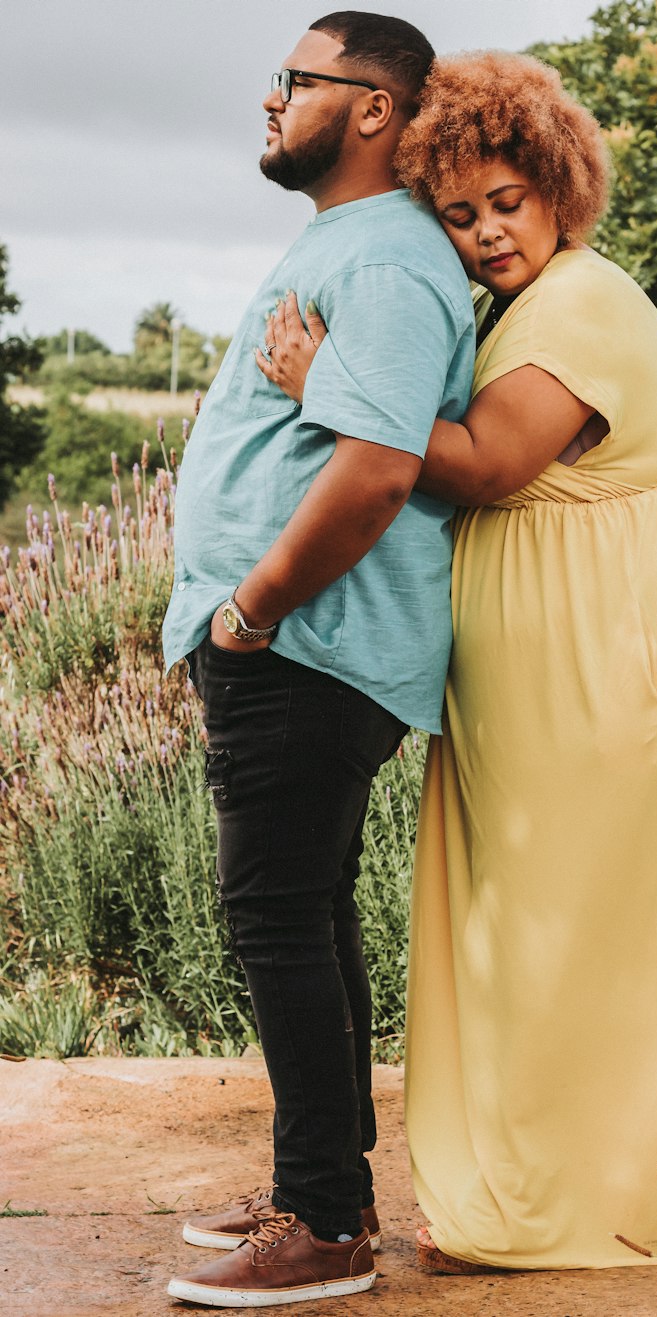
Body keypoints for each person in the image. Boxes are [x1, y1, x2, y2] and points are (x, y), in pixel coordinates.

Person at [264, 50, 657, 1274]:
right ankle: (549, 1171)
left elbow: (491, 463)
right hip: (586, 650)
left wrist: (324, 379)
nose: (489, 232)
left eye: (508, 202)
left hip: (627, 651)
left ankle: (584, 1199)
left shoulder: (584, 302)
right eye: (460, 213)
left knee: (578, 923)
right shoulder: (532, 304)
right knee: (548, 918)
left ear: (560, 187)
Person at [159, 13, 475, 1307]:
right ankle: (317, 1184)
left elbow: (379, 468)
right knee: (308, 909)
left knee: (275, 914)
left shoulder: (393, 259)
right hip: (295, 640)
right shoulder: (351, 241)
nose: (272, 99)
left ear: (375, 109)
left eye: (297, 81)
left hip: (308, 641)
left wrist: (255, 607)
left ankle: (332, 1228)